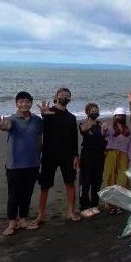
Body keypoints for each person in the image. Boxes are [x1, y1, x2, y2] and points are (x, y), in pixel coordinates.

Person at [0, 91, 42, 235]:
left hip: (33, 163)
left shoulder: (37, 120)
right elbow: (7, 126)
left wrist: (40, 154)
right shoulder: (12, 119)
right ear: (16, 103)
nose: (24, 104)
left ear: (31, 103)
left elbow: (39, 137)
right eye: (21, 101)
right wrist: (3, 126)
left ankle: (23, 220)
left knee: (27, 194)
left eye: (27, 101)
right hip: (14, 164)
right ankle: (11, 223)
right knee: (14, 194)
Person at [39, 88, 80, 222]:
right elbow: (41, 130)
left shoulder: (72, 117)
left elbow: (74, 138)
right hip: (49, 154)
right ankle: (41, 215)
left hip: (67, 155)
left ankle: (70, 212)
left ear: (70, 99)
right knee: (45, 185)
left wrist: (76, 156)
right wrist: (43, 115)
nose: (65, 97)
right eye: (62, 95)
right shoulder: (48, 113)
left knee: (70, 183)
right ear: (55, 96)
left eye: (67, 96)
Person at [76, 104, 107, 217]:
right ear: (87, 112)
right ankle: (84, 207)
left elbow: (105, 138)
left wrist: (104, 130)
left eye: (96, 111)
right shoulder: (83, 123)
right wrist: (89, 126)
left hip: (99, 156)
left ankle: (94, 204)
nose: (95, 112)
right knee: (85, 181)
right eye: (92, 111)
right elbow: (83, 131)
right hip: (87, 156)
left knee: (97, 181)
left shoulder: (100, 124)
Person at [103, 107, 131, 201]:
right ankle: (111, 204)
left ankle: (121, 203)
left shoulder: (128, 131)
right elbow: (104, 134)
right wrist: (104, 129)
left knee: (123, 179)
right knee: (110, 177)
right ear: (114, 117)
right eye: (117, 115)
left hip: (124, 156)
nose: (119, 117)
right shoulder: (111, 129)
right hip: (111, 154)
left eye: (122, 115)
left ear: (125, 117)